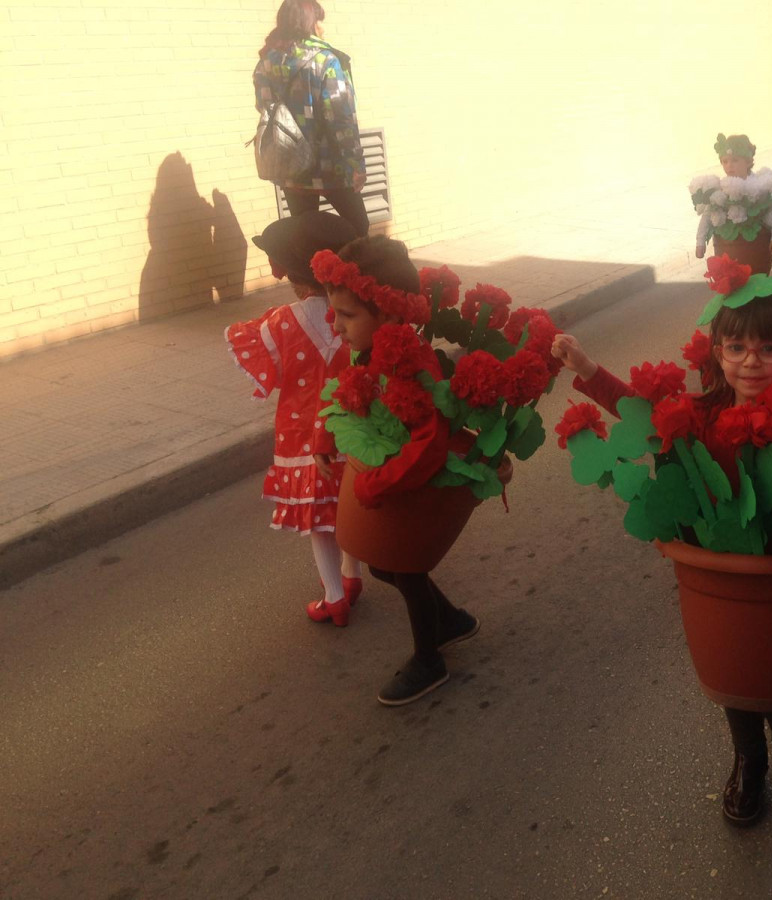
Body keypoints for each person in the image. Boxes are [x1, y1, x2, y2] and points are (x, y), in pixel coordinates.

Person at [551, 256, 772, 839]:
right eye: (736, 349)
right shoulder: (702, 415)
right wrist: (586, 368)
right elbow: (638, 408)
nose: (750, 361)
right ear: (718, 355)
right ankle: (748, 762)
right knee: (735, 673)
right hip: (722, 575)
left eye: (769, 349)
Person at [318, 236, 483, 704]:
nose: (337, 325)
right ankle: (451, 620)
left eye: (347, 316)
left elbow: (429, 444)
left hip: (414, 484)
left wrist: (377, 481)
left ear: (389, 315)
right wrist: (324, 438)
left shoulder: (413, 367)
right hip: (391, 479)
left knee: (403, 568)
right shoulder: (366, 349)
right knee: (384, 568)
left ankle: (428, 660)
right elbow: (342, 393)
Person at [225, 211, 364, 626]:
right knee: (349, 504)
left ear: (291, 272)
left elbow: (272, 368)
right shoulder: (354, 314)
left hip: (302, 435)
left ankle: (335, 597)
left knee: (319, 523)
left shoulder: (280, 322)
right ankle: (352, 574)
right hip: (352, 430)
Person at [253, 0, 369, 237]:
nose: (322, 28)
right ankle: (351, 273)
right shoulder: (324, 60)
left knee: (305, 235)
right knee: (358, 229)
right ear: (308, 23)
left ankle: (313, 273)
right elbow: (340, 118)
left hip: (292, 164)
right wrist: (356, 164)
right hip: (332, 165)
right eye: (318, 21)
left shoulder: (266, 62)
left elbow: (263, 106)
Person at [695, 134, 772, 258]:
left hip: (756, 248)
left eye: (735, 160)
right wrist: (700, 242)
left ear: (748, 161)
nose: (729, 165)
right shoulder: (721, 189)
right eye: (725, 161)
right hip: (728, 247)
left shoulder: (757, 186)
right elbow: (707, 215)